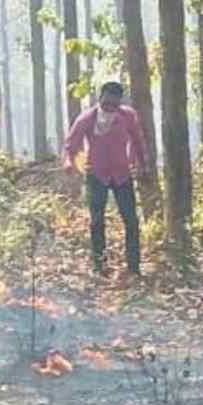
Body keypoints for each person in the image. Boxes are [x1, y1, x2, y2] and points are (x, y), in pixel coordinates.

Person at [62, 81, 147, 278]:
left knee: (131, 221)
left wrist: (142, 164)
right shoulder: (87, 118)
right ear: (100, 99)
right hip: (96, 175)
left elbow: (138, 141)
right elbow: (70, 145)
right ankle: (99, 265)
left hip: (121, 174)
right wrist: (68, 162)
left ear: (119, 103)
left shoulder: (128, 116)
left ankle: (133, 267)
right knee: (97, 221)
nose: (110, 107)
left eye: (114, 104)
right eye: (107, 103)